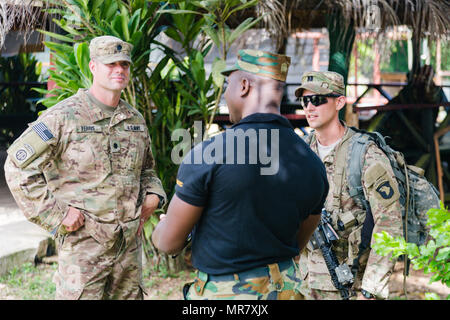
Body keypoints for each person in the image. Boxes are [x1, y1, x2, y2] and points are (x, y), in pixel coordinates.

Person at [151, 49, 329, 300]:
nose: (225, 93)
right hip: (286, 291)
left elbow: (169, 243)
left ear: (244, 85)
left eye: (227, 84)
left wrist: (160, 228)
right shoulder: (312, 162)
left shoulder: (208, 155)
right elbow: (297, 242)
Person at [4, 35, 166, 300]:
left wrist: (153, 195)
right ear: (93, 67)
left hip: (128, 252)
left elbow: (147, 169)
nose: (119, 70)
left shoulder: (134, 120)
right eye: (110, 64)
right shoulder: (62, 116)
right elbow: (17, 167)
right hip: (84, 249)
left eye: (124, 65)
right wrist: (57, 214)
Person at [295, 70, 403, 300]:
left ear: (339, 102)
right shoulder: (299, 152)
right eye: (305, 100)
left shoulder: (364, 155)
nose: (309, 107)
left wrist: (370, 290)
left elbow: (390, 226)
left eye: (317, 99)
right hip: (301, 284)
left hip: (350, 288)